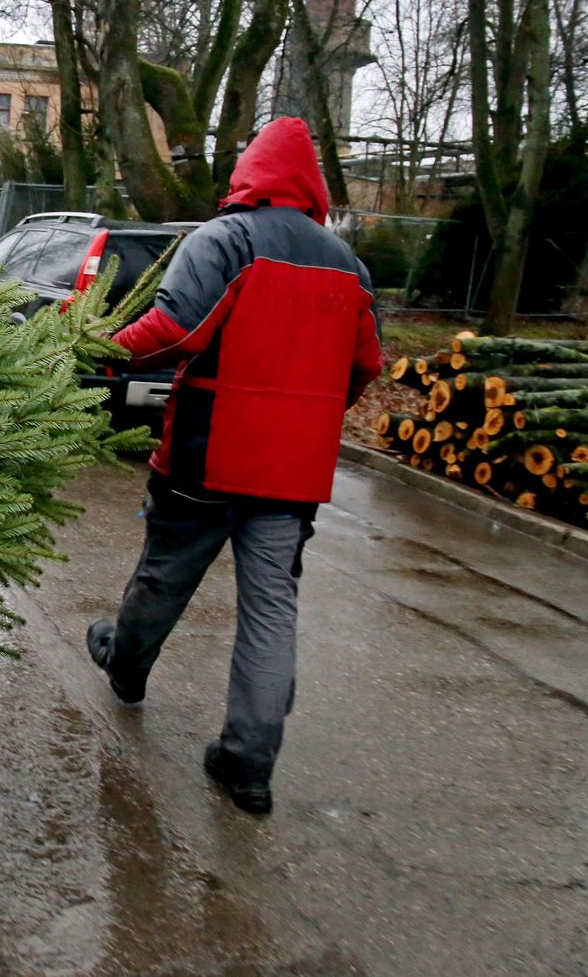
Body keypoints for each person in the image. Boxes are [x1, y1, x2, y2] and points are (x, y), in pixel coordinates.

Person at [86, 117, 382, 815]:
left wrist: (97, 348)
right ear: (310, 186)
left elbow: (175, 329)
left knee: (166, 571)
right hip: (295, 470)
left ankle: (126, 668)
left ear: (249, 177)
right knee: (271, 609)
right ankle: (248, 765)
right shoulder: (349, 264)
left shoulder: (226, 238)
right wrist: (312, 413)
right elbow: (366, 364)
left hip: (209, 453)